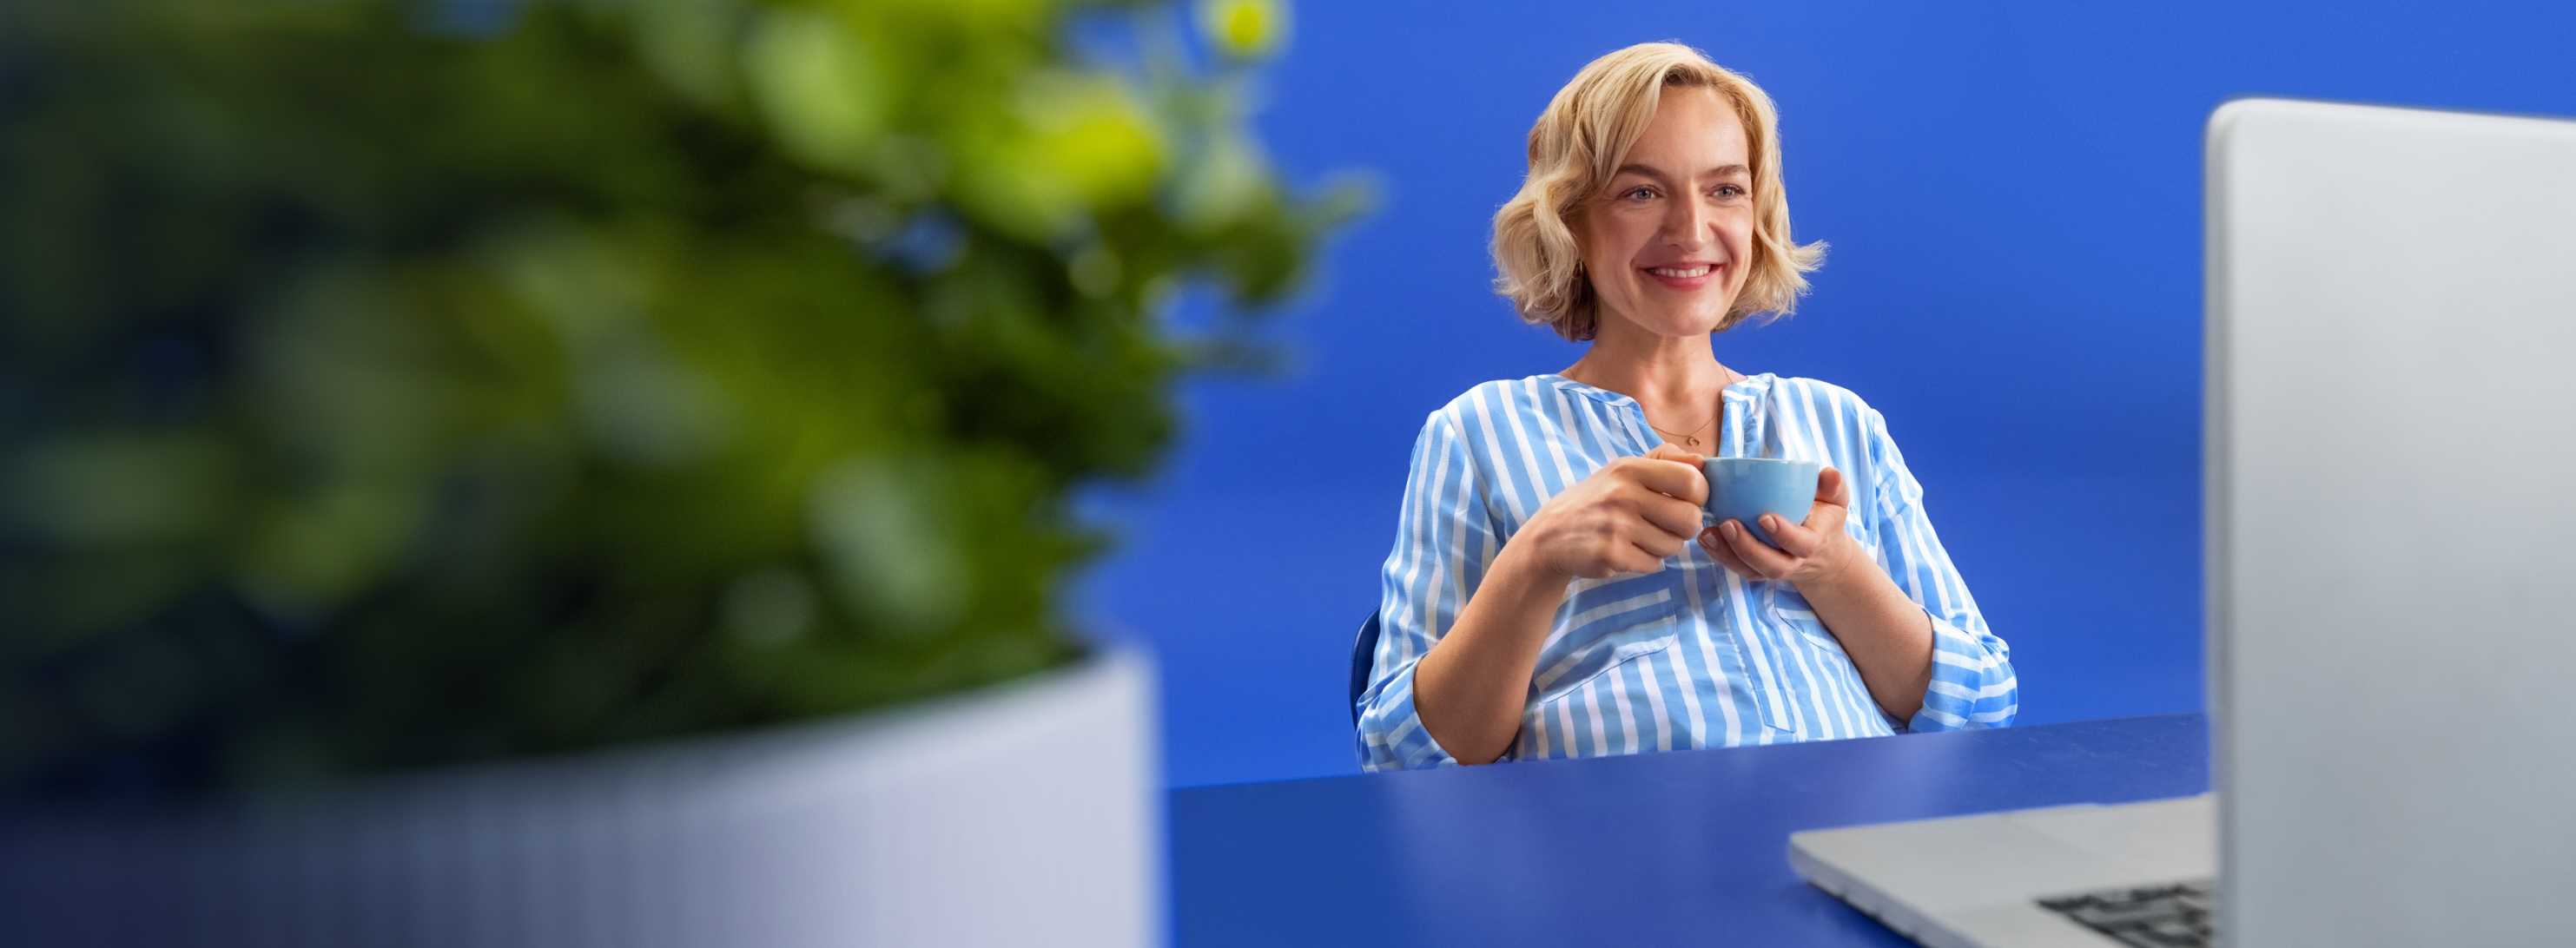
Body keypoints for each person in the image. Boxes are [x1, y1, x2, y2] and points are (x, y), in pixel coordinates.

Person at [1355, 42, 2016, 770]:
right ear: (1569, 221)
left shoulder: (1839, 423)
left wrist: (1832, 568)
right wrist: (1536, 561)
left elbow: (1982, 704)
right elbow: (1402, 761)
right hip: (1614, 857)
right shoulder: (1479, 434)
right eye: (1641, 192)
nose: (1692, 230)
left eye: (1725, 190)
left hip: (1850, 840)